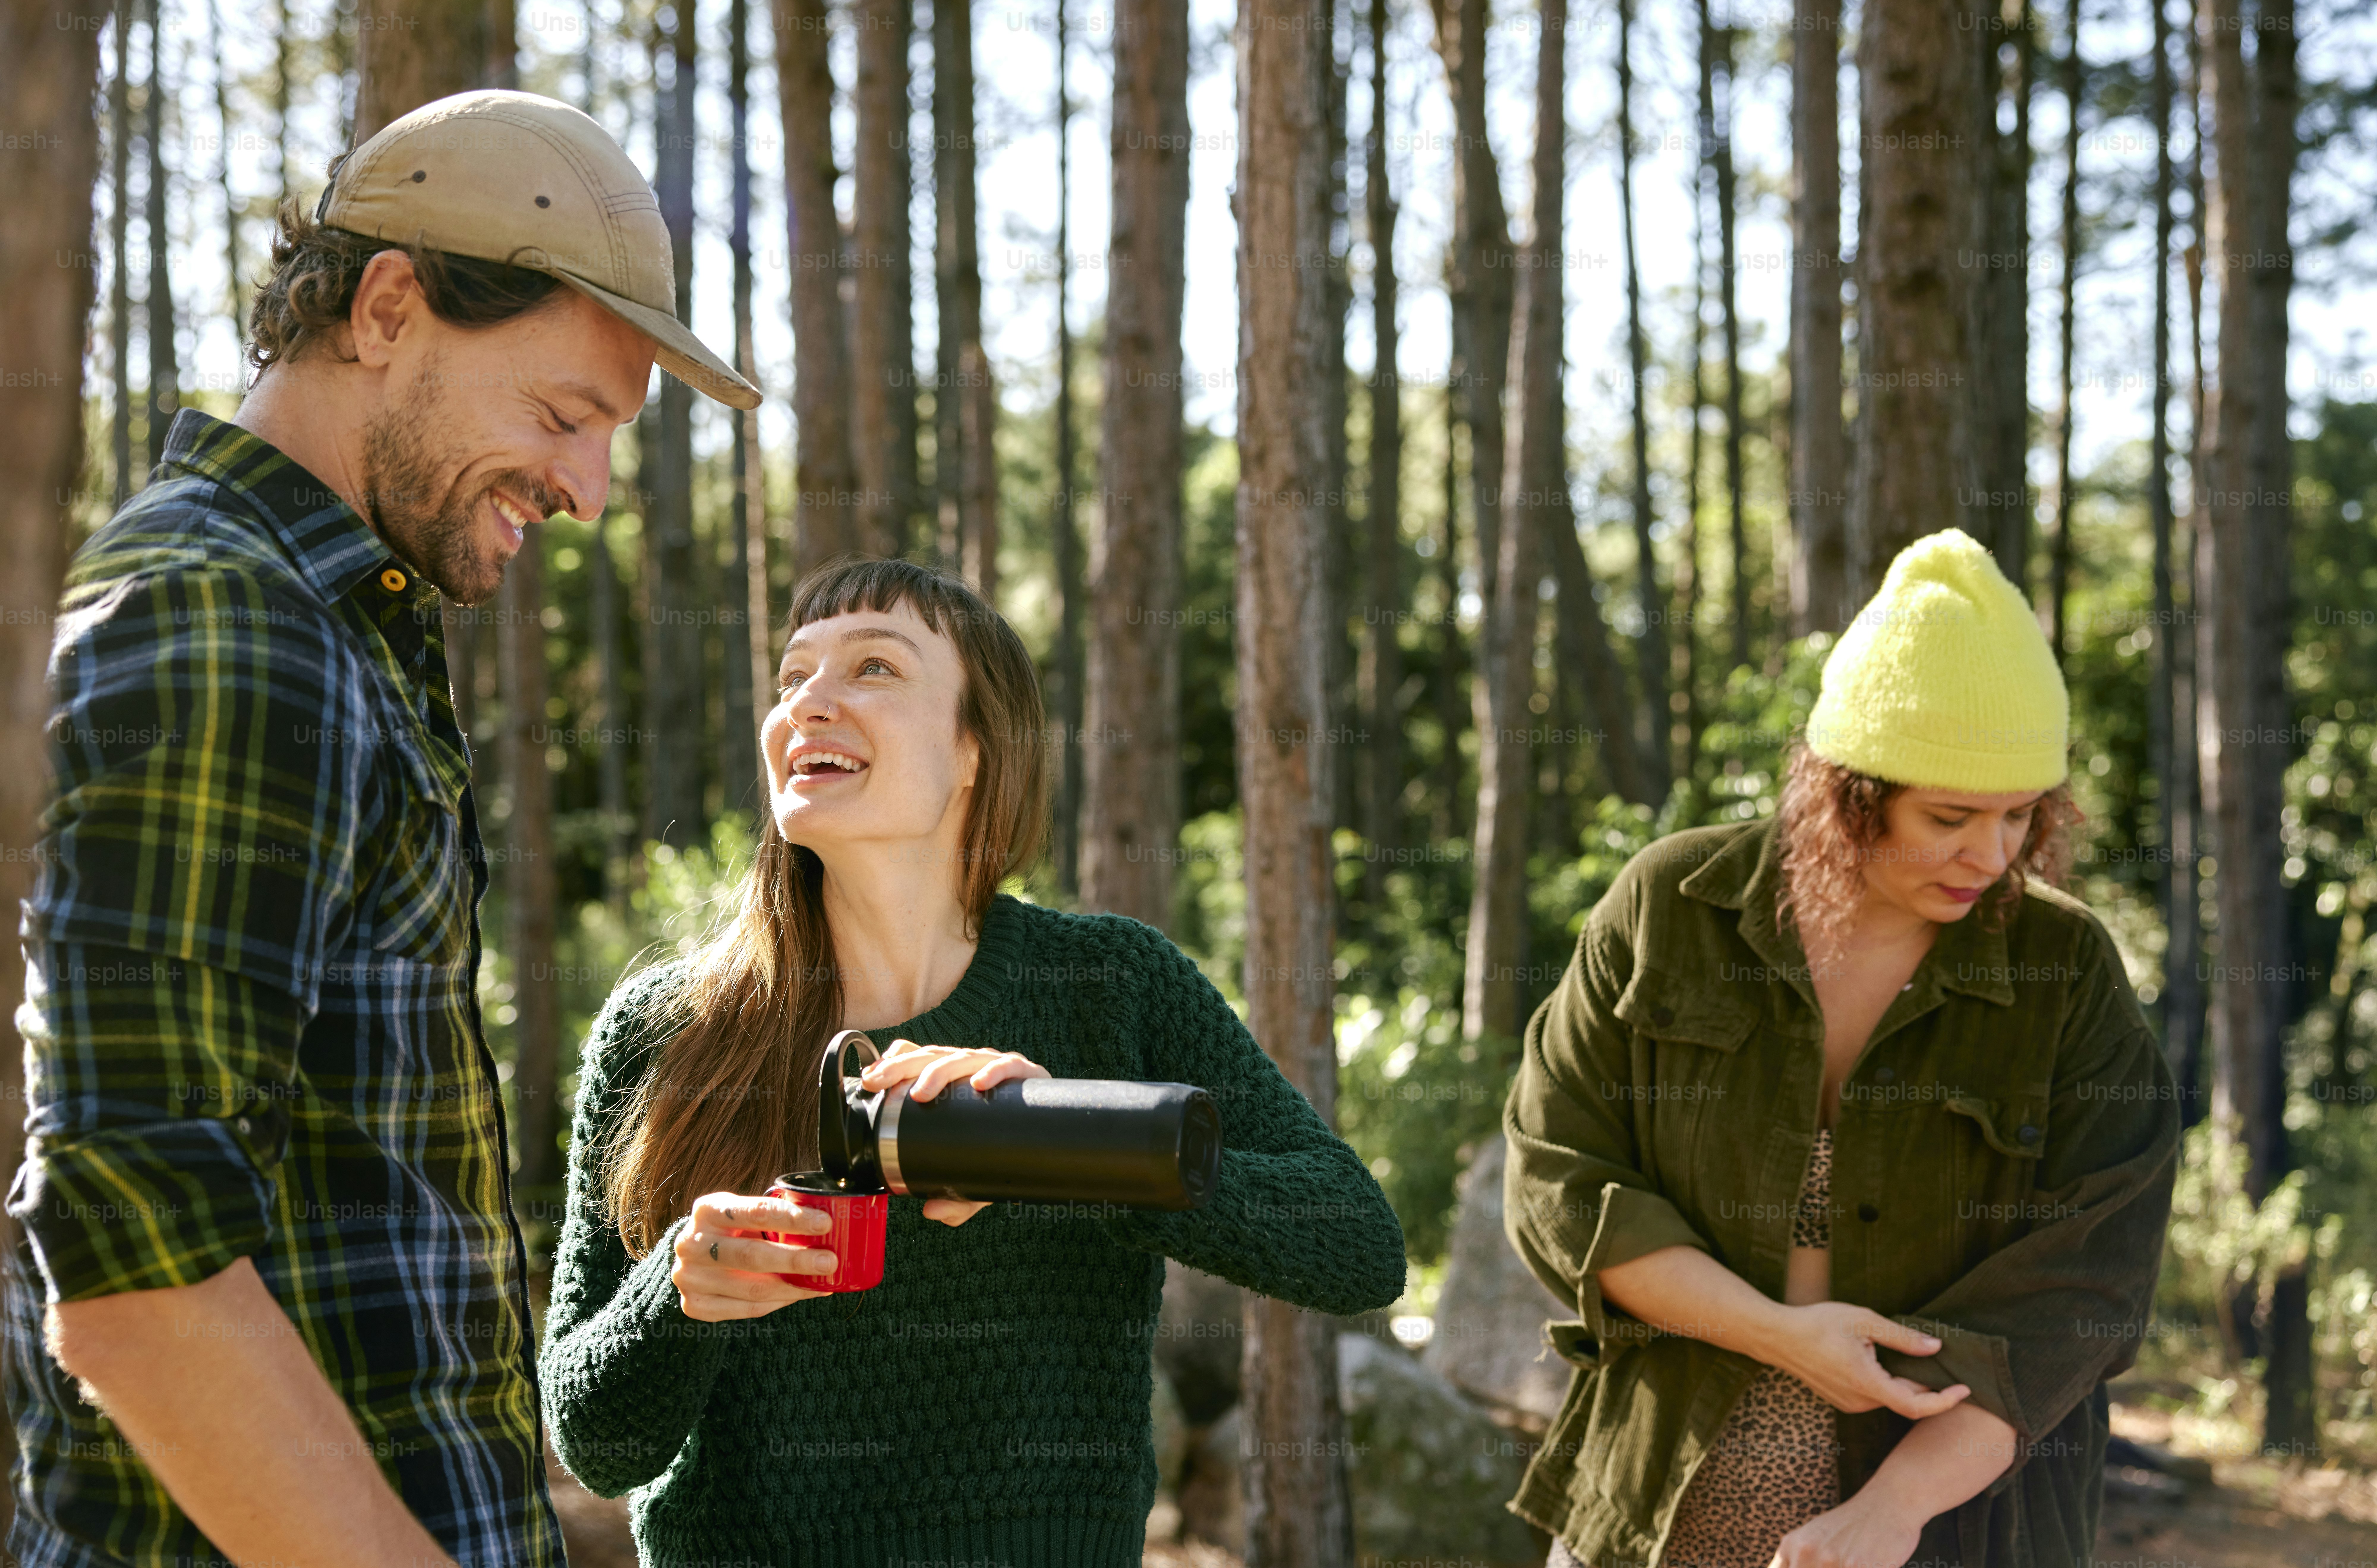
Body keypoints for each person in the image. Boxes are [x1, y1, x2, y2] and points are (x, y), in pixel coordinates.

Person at [6, 89, 758, 1568]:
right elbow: (134, 1264)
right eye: (563, 416)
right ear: (389, 309)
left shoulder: (327, 624)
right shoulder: (221, 628)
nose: (590, 492)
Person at [541, 555, 1407, 1568]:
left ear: (974, 751)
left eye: (873, 669)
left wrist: (1066, 1142)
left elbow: (1357, 1244)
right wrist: (679, 1293)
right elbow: (593, 1443)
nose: (809, 704)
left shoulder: (1113, 982)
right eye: (791, 678)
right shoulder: (664, 1026)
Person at [1502, 530, 2182, 1568]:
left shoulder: (2067, 970)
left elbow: (2091, 1281)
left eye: (2019, 817)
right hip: (1654, 1503)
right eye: (1950, 815)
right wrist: (1777, 1334)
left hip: (1951, 1522)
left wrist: (1891, 1510)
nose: (1992, 856)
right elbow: (1559, 1177)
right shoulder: (1669, 908)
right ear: (1848, 791)